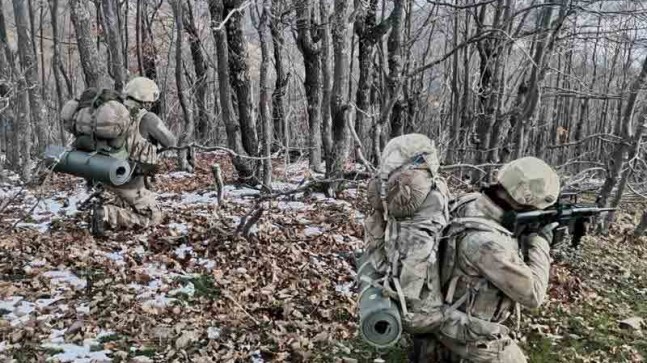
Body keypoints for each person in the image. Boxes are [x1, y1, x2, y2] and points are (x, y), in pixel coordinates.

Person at [418, 156, 560, 362]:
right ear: (527, 201)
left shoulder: (469, 202)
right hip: (467, 337)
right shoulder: (489, 244)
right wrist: (541, 242)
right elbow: (534, 295)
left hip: (444, 319)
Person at [92, 77, 176, 235]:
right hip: (130, 181)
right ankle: (108, 214)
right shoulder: (147, 117)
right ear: (146, 99)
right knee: (154, 217)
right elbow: (170, 141)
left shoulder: (113, 112)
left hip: (106, 174)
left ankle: (115, 203)